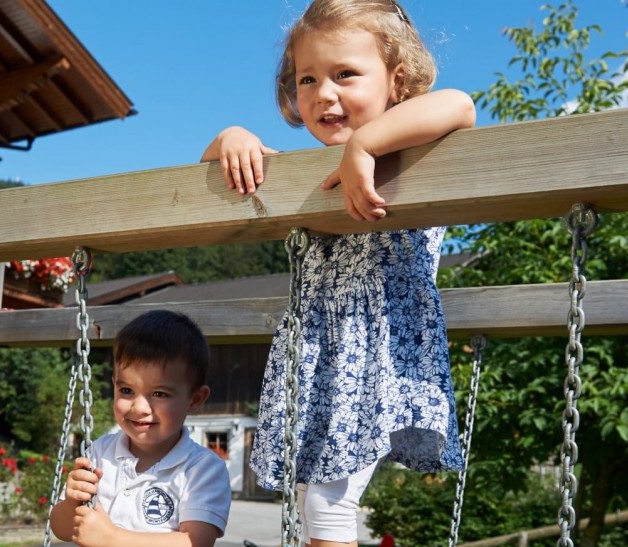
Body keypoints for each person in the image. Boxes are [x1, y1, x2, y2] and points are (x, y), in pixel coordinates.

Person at [201, 1, 476, 545]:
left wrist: (366, 145)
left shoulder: (413, 153)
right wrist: (233, 136)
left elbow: (460, 105)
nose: (323, 93)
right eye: (308, 78)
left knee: (328, 497)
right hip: (321, 350)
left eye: (345, 74)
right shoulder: (307, 179)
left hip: (380, 346)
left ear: (397, 82)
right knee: (317, 494)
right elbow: (214, 162)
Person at [49, 310, 231, 547]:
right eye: (127, 391)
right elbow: (62, 530)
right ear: (114, 385)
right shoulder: (101, 452)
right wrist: (71, 503)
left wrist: (111, 538)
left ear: (195, 399)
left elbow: (194, 542)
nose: (139, 407)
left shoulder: (202, 469)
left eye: (159, 394)